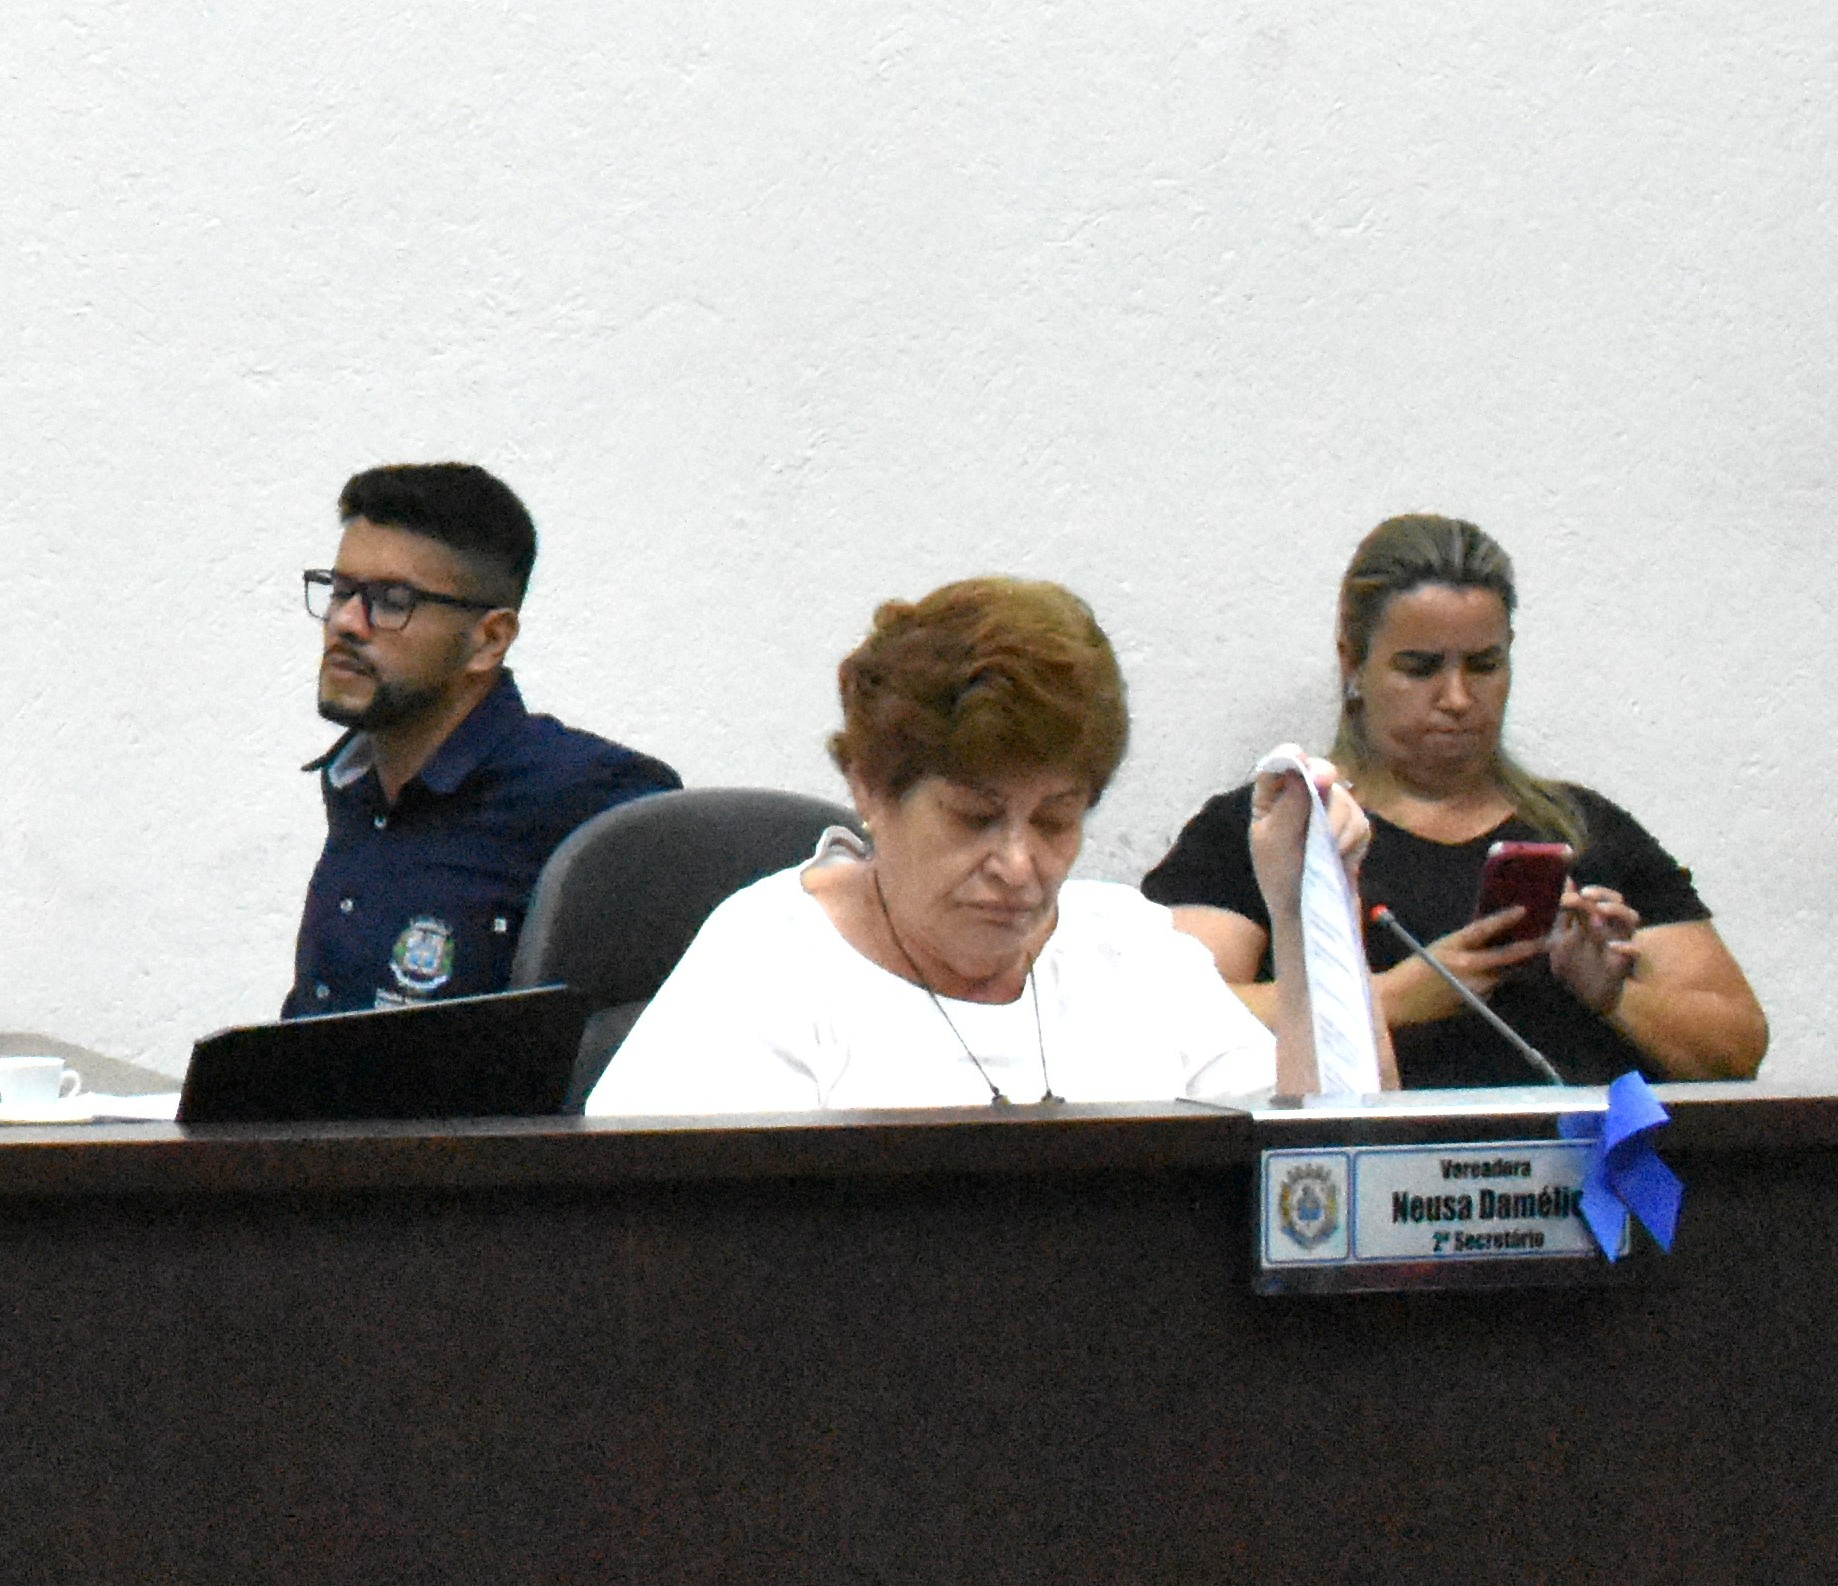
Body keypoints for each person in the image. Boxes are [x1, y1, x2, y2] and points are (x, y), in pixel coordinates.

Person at [586, 578, 1381, 1115]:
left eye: (1055, 821)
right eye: (973, 818)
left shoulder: (1133, 956)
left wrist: (1307, 911)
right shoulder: (768, 967)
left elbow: (1324, 1185)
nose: (1019, 866)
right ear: (870, 788)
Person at [1145, 514, 1769, 1088]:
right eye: (1420, 668)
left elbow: (1739, 1046)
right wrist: (1393, 997)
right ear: (1352, 663)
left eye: (1484, 665)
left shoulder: (1584, 832)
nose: (1457, 698)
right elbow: (1162, 1020)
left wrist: (1613, 995)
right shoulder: (1277, 828)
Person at [287, 463, 677, 1016]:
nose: (346, 622)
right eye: (342, 590)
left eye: (392, 600)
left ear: (489, 640)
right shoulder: (357, 784)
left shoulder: (590, 796)